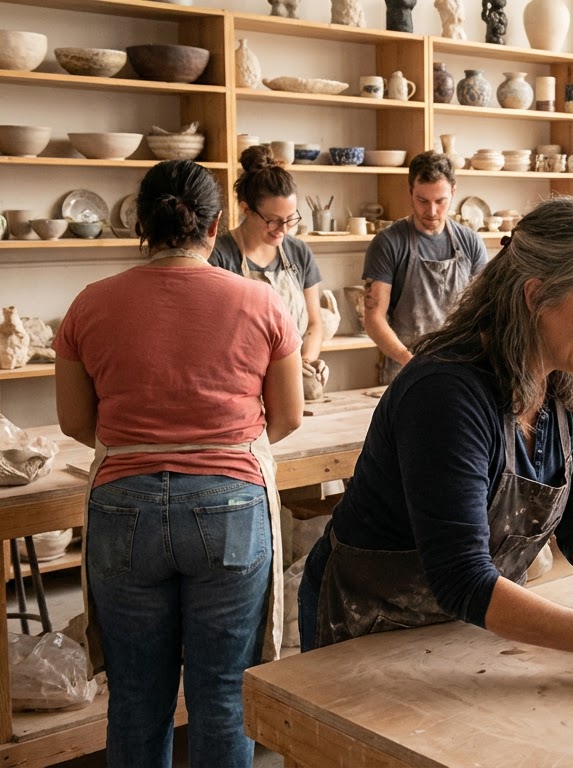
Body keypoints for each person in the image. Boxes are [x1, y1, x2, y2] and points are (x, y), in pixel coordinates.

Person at [299, 196, 573, 662]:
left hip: (478, 618)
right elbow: (461, 576)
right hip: (370, 622)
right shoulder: (446, 392)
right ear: (535, 296)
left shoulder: (571, 385)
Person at [53, 160, 303, 766]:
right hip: (230, 506)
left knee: (137, 698)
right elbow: (289, 416)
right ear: (217, 224)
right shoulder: (261, 302)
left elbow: (75, 423)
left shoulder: (90, 305)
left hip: (122, 506)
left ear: (140, 222)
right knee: (222, 695)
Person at [363, 151, 488, 383]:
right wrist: (409, 360)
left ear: (453, 191)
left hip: (460, 365)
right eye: (422, 201)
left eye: (440, 201)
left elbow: (484, 309)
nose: (431, 212)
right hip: (405, 365)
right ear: (410, 192)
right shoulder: (389, 243)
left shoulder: (471, 243)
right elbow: (373, 318)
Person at [211, 145, 329, 389]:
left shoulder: (299, 252)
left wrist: (307, 361)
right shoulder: (220, 256)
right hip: (239, 381)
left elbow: (315, 324)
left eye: (290, 219)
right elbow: (216, 338)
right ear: (246, 210)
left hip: (291, 378)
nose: (284, 229)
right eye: (273, 221)